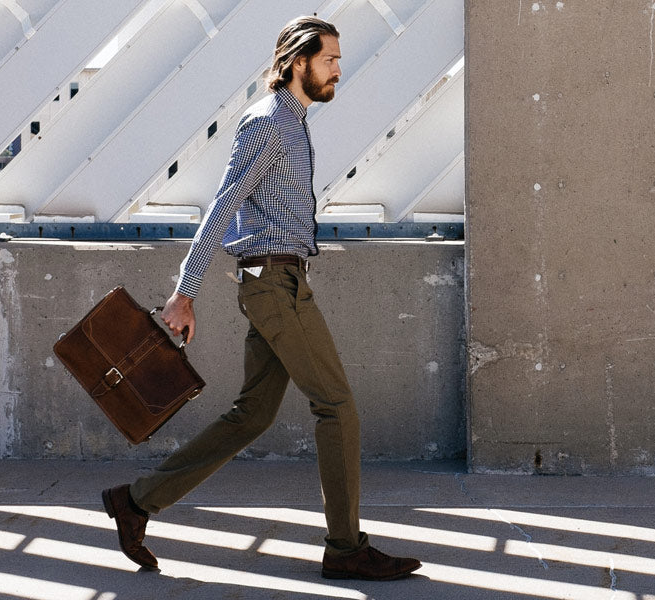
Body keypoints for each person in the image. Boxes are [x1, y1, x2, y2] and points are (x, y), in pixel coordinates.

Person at [99, 16, 422, 581]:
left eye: (338, 60)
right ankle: (345, 548)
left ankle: (136, 502)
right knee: (337, 407)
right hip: (275, 286)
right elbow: (223, 207)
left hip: (281, 281)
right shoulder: (269, 123)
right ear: (298, 62)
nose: (337, 70)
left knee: (252, 415)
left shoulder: (293, 123)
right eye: (329, 60)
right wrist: (185, 291)